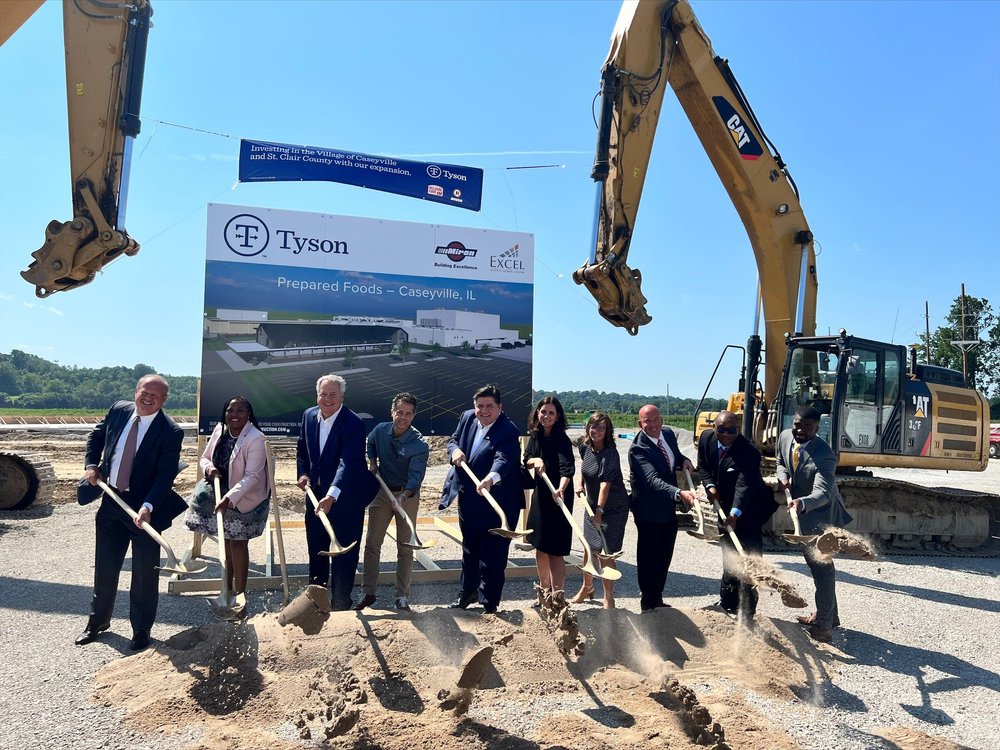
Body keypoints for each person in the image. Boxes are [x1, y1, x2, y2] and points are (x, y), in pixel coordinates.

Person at [75, 374, 186, 651]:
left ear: (164, 400)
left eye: (155, 395)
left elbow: (164, 476)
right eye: (144, 392)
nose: (147, 398)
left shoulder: (170, 431)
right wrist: (91, 465)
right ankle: (97, 622)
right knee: (106, 568)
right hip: (112, 501)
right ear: (136, 391)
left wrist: (147, 507)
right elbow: (97, 435)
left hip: (145, 509)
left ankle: (141, 631)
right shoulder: (119, 410)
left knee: (144, 575)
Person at [296, 374, 379, 611]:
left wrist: (332, 495)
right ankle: (317, 602)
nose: (327, 399)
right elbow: (302, 449)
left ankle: (341, 602)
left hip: (346, 499)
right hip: (316, 495)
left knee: (344, 552)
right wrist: (302, 473)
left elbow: (348, 463)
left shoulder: (353, 423)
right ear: (317, 395)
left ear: (342, 396)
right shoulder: (309, 416)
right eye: (324, 394)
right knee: (317, 548)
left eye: (333, 395)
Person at [440, 384, 522, 614]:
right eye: (479, 406)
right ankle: (467, 592)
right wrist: (454, 450)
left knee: (493, 554)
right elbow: (454, 440)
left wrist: (490, 479)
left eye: (489, 406)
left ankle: (489, 602)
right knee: (470, 549)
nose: (484, 411)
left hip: (498, 500)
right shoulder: (467, 417)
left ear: (500, 407)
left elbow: (504, 459)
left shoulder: (508, 430)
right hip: (470, 497)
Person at [775, 405, 853, 643]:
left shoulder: (824, 454)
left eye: (807, 428)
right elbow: (780, 460)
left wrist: (802, 503)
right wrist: (783, 476)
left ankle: (824, 626)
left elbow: (823, 492)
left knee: (822, 570)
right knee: (816, 567)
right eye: (797, 425)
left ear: (817, 428)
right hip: (802, 512)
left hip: (821, 516)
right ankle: (831, 616)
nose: (800, 430)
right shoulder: (785, 436)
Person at [184, 396, 270, 606]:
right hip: (221, 489)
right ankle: (227, 590)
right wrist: (209, 468)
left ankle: (239, 594)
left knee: (238, 543)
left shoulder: (256, 438)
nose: (234, 415)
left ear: (248, 414)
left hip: (246, 497)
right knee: (226, 541)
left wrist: (229, 499)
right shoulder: (219, 430)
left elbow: (253, 476)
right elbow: (204, 458)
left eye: (240, 411)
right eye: (230, 410)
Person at [695, 410, 775, 626]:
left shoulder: (748, 451)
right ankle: (728, 603)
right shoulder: (706, 439)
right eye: (722, 430)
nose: (727, 434)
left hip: (748, 509)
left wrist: (734, 513)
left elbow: (744, 485)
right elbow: (702, 466)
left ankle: (748, 610)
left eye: (732, 430)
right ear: (714, 428)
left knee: (749, 556)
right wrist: (710, 486)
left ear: (738, 430)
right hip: (723, 505)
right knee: (729, 554)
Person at [356, 393, 429, 612]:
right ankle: (369, 593)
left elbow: (416, 477)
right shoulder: (380, 431)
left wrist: (403, 496)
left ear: (413, 415)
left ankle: (402, 597)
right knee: (372, 544)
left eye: (408, 414)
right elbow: (370, 443)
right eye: (399, 412)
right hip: (382, 492)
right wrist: (372, 461)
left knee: (405, 547)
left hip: (407, 495)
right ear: (392, 412)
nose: (403, 417)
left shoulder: (419, 444)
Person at [628, 404, 696, 613]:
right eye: (648, 421)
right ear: (640, 424)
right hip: (648, 510)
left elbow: (674, 455)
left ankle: (657, 597)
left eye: (656, 419)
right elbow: (652, 480)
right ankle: (648, 604)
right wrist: (679, 493)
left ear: (662, 420)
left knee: (665, 554)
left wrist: (684, 460)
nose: (653, 424)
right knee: (649, 557)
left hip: (667, 508)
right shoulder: (637, 450)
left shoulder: (667, 434)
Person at [572, 411, 629, 609]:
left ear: (608, 431)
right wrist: (579, 483)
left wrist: (599, 512)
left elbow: (605, 484)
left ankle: (608, 597)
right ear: (588, 428)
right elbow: (584, 468)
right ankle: (586, 587)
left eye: (601, 428)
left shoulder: (610, 454)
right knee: (589, 548)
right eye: (593, 427)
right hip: (592, 505)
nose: (596, 431)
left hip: (612, 508)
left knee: (606, 553)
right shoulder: (585, 447)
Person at [522, 396, 575, 601]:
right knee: (540, 545)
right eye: (543, 412)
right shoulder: (535, 436)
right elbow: (526, 459)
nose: (546, 416)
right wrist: (535, 460)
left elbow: (567, 469)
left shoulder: (562, 439)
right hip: (541, 496)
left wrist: (560, 488)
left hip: (558, 497)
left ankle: (557, 595)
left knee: (555, 550)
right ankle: (543, 592)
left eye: (551, 413)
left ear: (557, 416)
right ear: (538, 413)